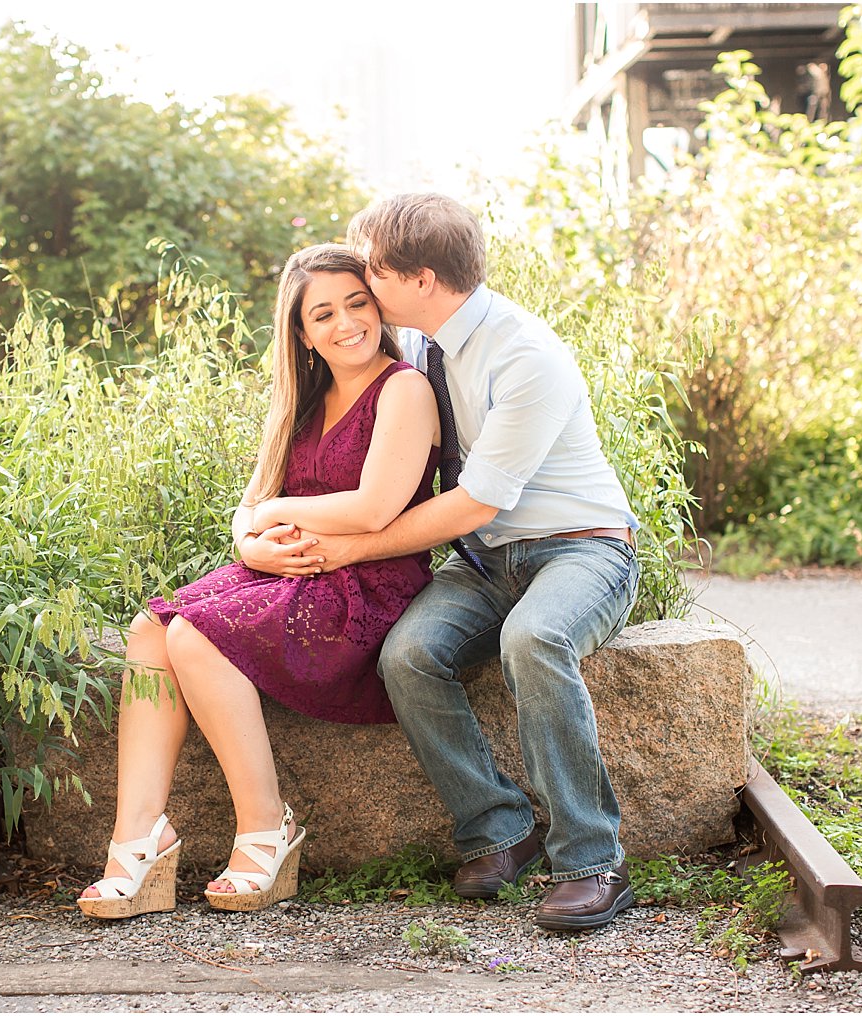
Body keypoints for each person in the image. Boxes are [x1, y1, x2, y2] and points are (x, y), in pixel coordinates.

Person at [305, 193, 642, 932]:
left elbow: (475, 503)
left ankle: (594, 862)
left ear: (421, 278)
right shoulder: (421, 346)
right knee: (410, 655)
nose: (363, 281)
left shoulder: (526, 355)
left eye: (373, 270)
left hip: (582, 549)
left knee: (535, 639)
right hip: (486, 565)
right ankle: (500, 828)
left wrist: (351, 549)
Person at [78, 243, 440, 919]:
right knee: (150, 631)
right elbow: (247, 511)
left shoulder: (404, 389)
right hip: (291, 576)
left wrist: (270, 517)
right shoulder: (305, 401)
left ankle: (266, 828)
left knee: (196, 638)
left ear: (380, 307)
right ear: (302, 333)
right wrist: (253, 542)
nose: (346, 323)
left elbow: (374, 507)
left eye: (357, 304)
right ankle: (137, 840)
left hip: (366, 589)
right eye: (323, 314)